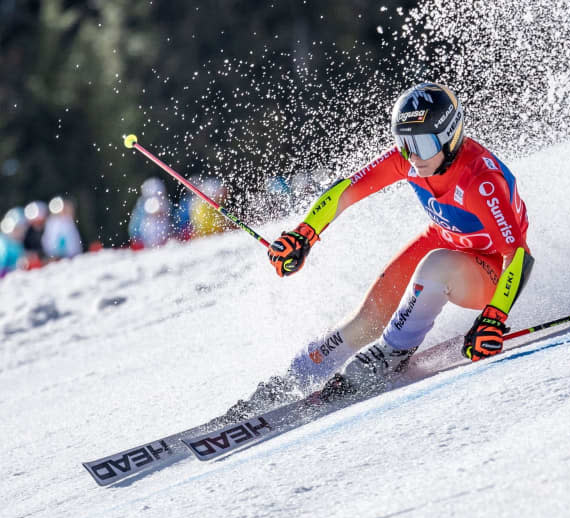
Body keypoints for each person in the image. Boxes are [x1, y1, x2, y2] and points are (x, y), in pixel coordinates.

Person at [225, 82, 533, 420]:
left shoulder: (480, 180)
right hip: (444, 238)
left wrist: (494, 316)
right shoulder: (410, 161)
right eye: (405, 143)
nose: (413, 156)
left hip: (488, 269)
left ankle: (390, 354)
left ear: (450, 136)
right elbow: (345, 191)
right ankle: (297, 376)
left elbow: (518, 255)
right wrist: (304, 234)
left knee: (436, 266)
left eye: (423, 144)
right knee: (368, 318)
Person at [128, 177, 172, 248]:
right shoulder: (141, 207)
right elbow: (134, 227)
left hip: (163, 242)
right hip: (144, 242)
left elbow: (171, 223)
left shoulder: (165, 204)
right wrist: (137, 238)